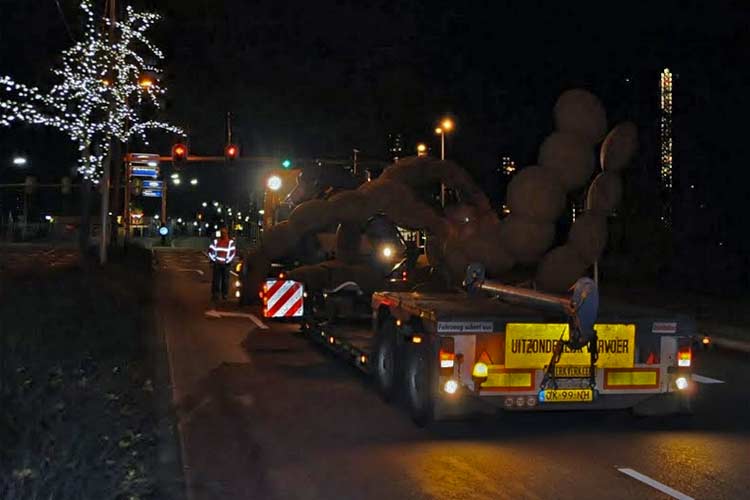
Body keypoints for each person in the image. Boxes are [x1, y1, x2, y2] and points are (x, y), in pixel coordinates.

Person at [208, 227, 236, 300]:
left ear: (226, 234)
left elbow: (232, 253)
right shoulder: (216, 242)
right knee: (216, 281)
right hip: (218, 264)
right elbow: (211, 251)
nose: (222, 234)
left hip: (226, 265)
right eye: (221, 233)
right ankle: (216, 295)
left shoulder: (230, 242)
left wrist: (227, 261)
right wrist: (214, 259)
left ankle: (224, 295)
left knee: (225, 281)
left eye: (224, 233)